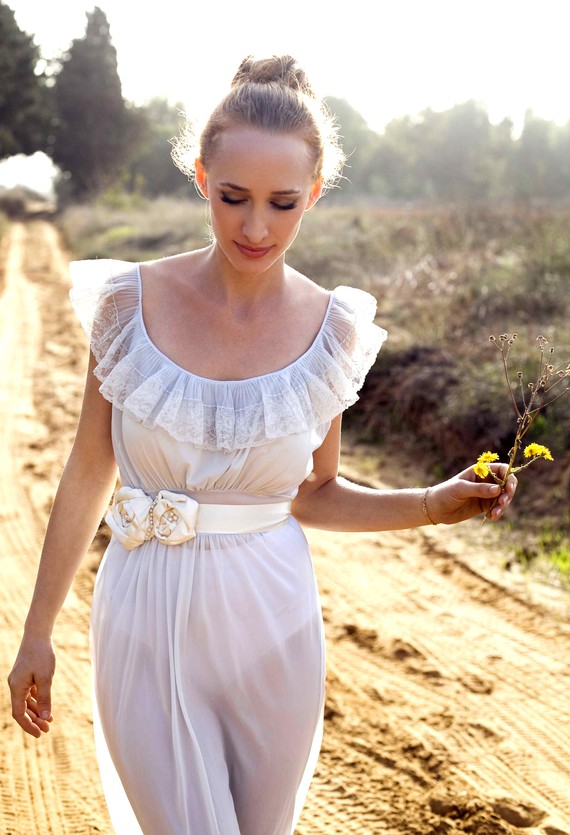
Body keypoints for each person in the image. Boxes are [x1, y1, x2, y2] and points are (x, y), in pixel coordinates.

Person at [8, 55, 517, 835]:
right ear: (202, 176)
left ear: (314, 193)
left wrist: (432, 503)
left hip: (274, 623)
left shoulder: (335, 328)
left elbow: (314, 492)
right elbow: (87, 471)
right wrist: (37, 630)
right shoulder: (126, 304)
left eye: (283, 204)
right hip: (144, 614)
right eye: (233, 197)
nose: (255, 227)